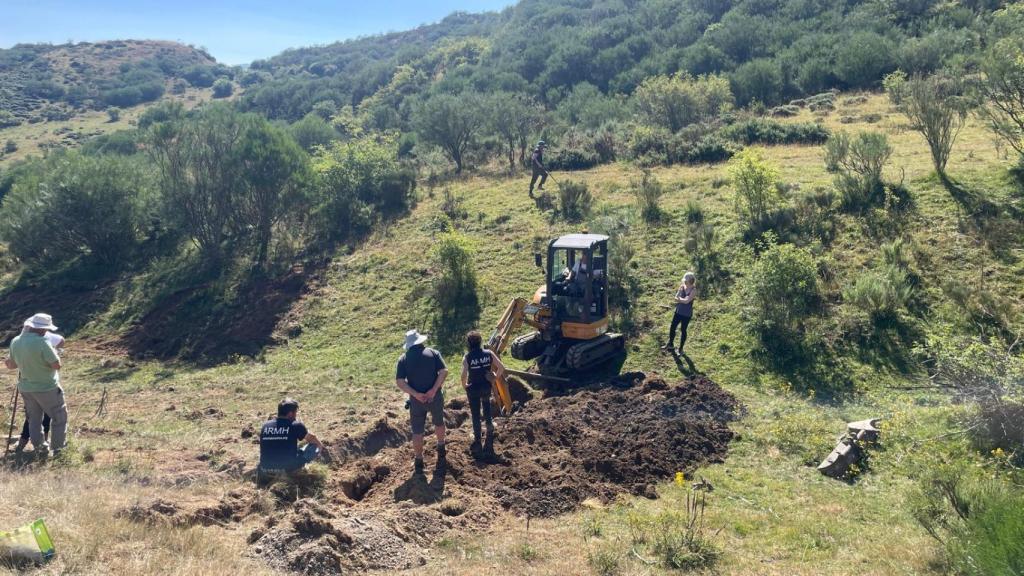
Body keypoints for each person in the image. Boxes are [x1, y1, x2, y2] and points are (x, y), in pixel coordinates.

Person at [5, 313, 68, 457]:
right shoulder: (42, 342)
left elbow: (11, 365)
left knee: (34, 420)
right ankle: (58, 451)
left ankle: (40, 448)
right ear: (42, 329)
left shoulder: (16, 341)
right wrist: (56, 353)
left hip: (26, 388)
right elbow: (56, 365)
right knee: (59, 417)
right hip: (47, 387)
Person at [395, 329, 448, 473]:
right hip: (434, 397)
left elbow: (400, 381)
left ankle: (418, 460)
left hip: (416, 402)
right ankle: (441, 446)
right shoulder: (433, 353)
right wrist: (433, 390)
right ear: (421, 341)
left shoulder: (403, 359)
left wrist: (416, 394)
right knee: (439, 422)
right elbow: (444, 371)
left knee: (417, 431)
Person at [14, 331, 63, 453]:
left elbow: (61, 340)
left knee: (34, 416)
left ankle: (32, 444)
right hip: (44, 385)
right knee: (44, 415)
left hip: (30, 385)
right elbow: (57, 364)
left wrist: (52, 349)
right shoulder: (32, 339)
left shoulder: (38, 337)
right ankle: (47, 447)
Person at [460, 330, 505, 458]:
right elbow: (501, 367)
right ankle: (489, 429)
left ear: (468, 344)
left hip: (473, 388)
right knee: (486, 408)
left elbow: (463, 374)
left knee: (475, 414)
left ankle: (477, 438)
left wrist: (464, 385)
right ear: (480, 342)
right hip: (486, 386)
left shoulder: (467, 357)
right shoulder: (489, 353)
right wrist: (495, 378)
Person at [258, 398, 324, 475]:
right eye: (295, 412)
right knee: (313, 446)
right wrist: (320, 446)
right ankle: (299, 472)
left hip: (265, 469)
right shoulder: (295, 425)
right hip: (287, 469)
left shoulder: (265, 426)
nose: (296, 415)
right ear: (290, 413)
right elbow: (312, 438)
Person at [664, 272, 697, 354]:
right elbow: (676, 297)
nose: (685, 282)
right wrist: (682, 299)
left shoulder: (694, 290)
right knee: (672, 327)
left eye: (686, 281)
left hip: (686, 314)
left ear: (691, 281)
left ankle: (681, 349)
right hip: (678, 311)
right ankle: (670, 344)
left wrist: (680, 299)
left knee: (683, 330)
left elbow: (687, 301)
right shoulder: (682, 287)